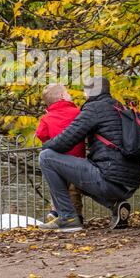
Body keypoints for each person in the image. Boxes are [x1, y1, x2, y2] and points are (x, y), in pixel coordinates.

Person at [39, 77, 140, 232]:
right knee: (81, 171)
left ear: (88, 92)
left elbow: (66, 140)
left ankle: (68, 217)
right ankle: (115, 205)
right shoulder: (119, 106)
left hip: (110, 179)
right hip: (130, 180)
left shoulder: (93, 109)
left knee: (46, 157)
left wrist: (45, 147)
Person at [36, 84, 85, 223]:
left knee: (57, 187)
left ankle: (56, 211)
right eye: (68, 93)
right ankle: (77, 216)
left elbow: (41, 134)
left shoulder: (47, 118)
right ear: (63, 96)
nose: (70, 95)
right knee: (74, 190)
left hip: (56, 160)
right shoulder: (77, 112)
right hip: (76, 159)